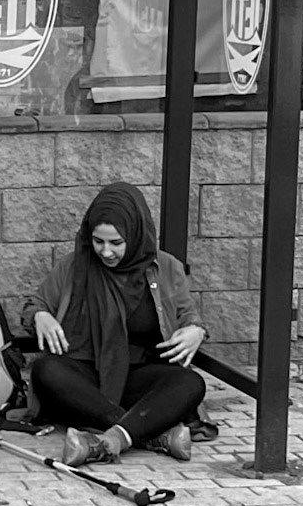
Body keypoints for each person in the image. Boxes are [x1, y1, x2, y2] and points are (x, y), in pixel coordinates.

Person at [25, 181, 208, 467]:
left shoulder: (167, 267)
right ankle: (148, 434)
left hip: (140, 375)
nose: (106, 252)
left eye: (116, 243)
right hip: (88, 376)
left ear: (135, 235)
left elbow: (189, 317)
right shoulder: (74, 266)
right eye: (98, 241)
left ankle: (107, 440)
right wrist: (40, 316)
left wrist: (197, 331)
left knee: (190, 383)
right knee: (46, 371)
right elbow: (34, 306)